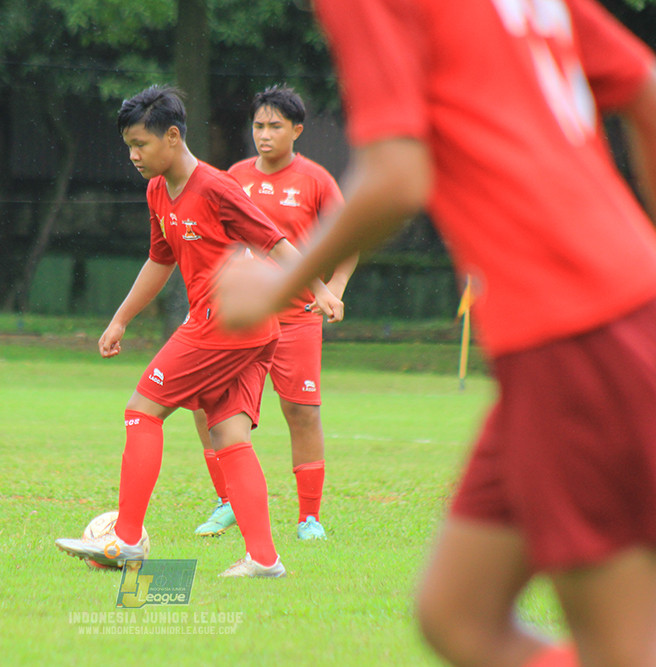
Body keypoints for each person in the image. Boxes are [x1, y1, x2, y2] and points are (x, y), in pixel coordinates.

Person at [216, 0, 656, 664]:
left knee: (621, 647)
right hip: (599, 319)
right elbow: (644, 85)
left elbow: (398, 175)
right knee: (458, 614)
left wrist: (274, 287)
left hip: (573, 337)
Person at [54, 85, 342, 577]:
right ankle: (264, 559)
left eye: (140, 144)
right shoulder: (156, 190)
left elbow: (275, 243)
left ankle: (125, 539)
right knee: (229, 434)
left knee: (142, 410)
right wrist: (121, 318)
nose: (133, 156)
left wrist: (321, 288)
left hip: (225, 324)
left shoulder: (215, 186)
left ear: (172, 136)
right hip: (244, 330)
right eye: (128, 145)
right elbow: (159, 260)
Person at [192, 85, 357, 541]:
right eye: (258, 126)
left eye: (275, 126)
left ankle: (309, 519)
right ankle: (227, 501)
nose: (264, 135)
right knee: (207, 404)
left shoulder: (317, 180)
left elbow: (348, 240)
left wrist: (336, 289)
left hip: (297, 316)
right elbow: (214, 237)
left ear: (297, 130)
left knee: (301, 412)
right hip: (240, 316)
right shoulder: (234, 176)